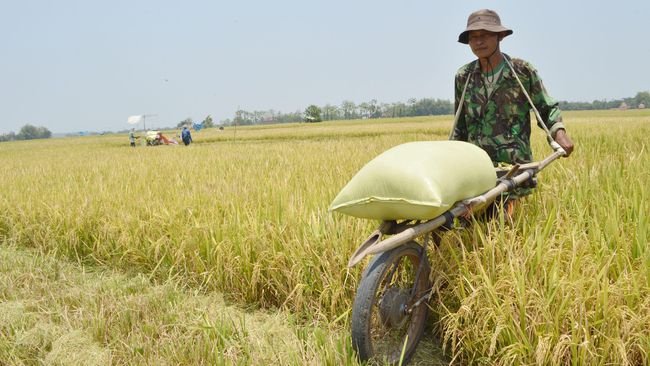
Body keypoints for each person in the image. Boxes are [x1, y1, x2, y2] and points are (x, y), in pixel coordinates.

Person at [450, 9, 574, 217]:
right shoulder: (464, 76)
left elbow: (545, 107)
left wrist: (559, 133)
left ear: (499, 36)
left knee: (508, 227)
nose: (479, 42)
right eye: (473, 37)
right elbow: (459, 124)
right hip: (478, 169)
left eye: (485, 35)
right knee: (472, 228)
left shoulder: (522, 71)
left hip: (514, 167)